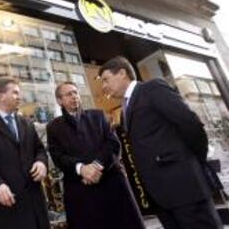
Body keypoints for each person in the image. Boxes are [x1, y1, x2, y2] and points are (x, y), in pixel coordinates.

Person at [99, 56, 223, 229]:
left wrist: (193, 162)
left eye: (106, 80)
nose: (104, 86)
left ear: (122, 73)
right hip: (161, 198)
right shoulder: (124, 109)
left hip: (185, 188)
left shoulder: (152, 88)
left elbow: (190, 123)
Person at [46, 81, 145, 229]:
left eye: (75, 92)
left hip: (111, 183)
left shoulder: (98, 116)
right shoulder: (53, 127)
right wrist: (81, 169)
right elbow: (58, 157)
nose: (74, 96)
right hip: (80, 190)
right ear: (60, 101)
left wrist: (95, 167)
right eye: (68, 94)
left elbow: (113, 145)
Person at [0, 77, 50, 229]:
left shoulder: (27, 123)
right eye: (15, 92)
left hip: (35, 204)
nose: (19, 96)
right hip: (8, 205)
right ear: (0, 96)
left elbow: (39, 149)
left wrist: (41, 162)